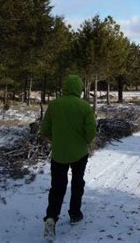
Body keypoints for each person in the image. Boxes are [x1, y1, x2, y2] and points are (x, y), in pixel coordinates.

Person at [40, 75, 96, 240]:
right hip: (80, 153)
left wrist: (56, 140)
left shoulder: (54, 105)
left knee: (57, 187)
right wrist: (85, 141)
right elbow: (91, 131)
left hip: (58, 153)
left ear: (65, 87)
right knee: (77, 183)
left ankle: (51, 218)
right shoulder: (84, 106)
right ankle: (75, 214)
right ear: (79, 89)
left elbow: (45, 129)